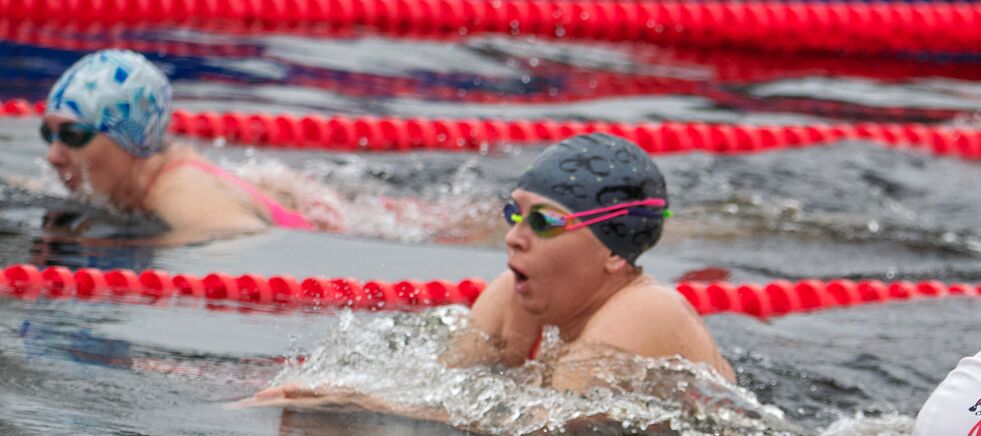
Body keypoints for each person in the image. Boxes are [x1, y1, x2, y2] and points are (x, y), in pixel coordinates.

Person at [251, 132, 733, 408]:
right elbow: (445, 384)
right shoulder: (518, 292)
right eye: (514, 213)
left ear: (613, 252)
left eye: (542, 221)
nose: (514, 235)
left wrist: (358, 404)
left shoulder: (646, 308)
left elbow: (546, 421)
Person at [41, 49, 314, 244]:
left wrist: (124, 246)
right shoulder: (135, 183)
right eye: (48, 134)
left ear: (130, 139)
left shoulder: (179, 190)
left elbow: (235, 236)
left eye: (73, 135)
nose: (53, 156)